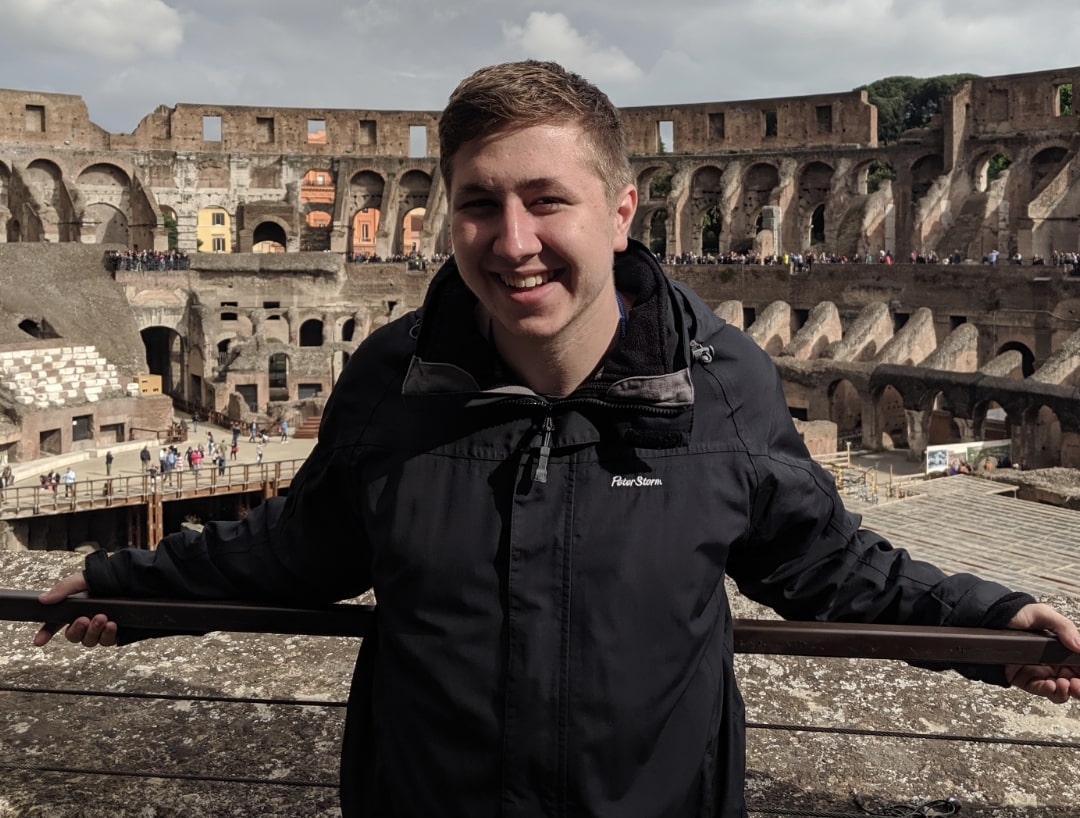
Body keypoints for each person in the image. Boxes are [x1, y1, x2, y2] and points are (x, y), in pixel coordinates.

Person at [33, 61, 1080, 818]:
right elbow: (296, 546)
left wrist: (999, 625)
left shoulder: (719, 390)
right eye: (481, 204)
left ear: (623, 211)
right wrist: (129, 584)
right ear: (450, 218)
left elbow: (832, 564)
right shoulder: (393, 382)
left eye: (548, 200)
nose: (515, 239)